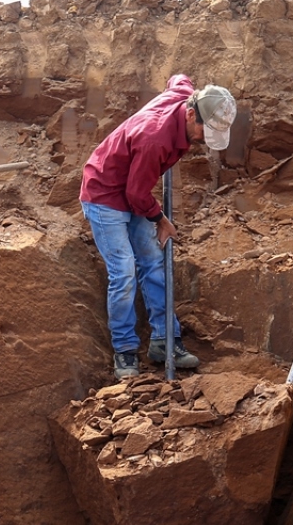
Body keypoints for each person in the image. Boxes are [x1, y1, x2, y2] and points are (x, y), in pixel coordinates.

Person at [79, 75, 237, 379]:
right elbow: (137, 195)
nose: (206, 139)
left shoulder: (187, 97)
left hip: (131, 189)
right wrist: (161, 220)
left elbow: (179, 79)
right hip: (104, 194)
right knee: (124, 271)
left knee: (153, 261)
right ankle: (125, 350)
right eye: (206, 131)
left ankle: (164, 341)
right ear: (191, 115)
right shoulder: (155, 139)